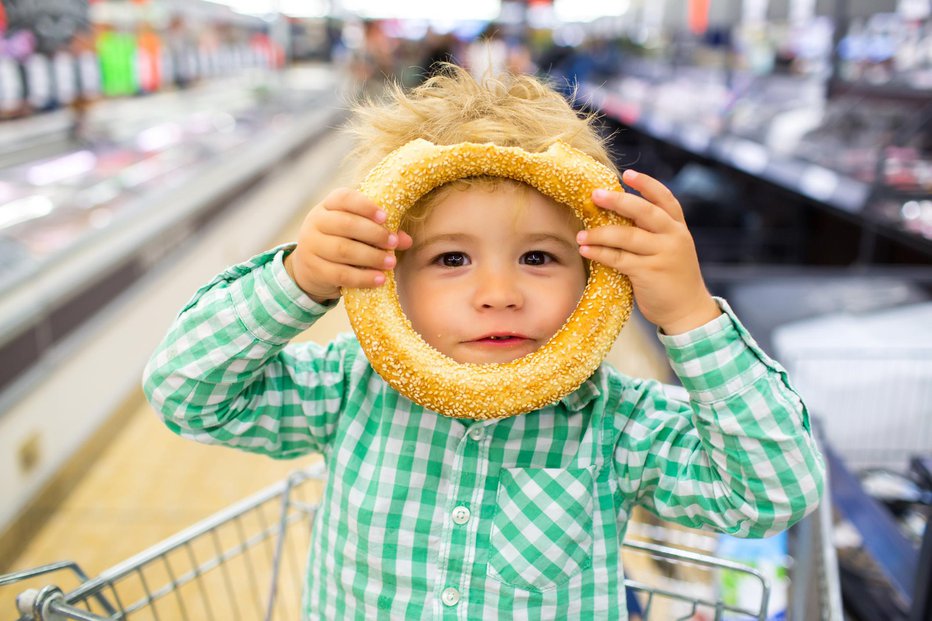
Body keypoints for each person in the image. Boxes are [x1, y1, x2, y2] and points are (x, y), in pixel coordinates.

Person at [143, 64, 824, 619]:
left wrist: (688, 314)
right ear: (388, 279)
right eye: (450, 259)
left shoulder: (618, 424)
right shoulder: (348, 390)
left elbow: (771, 492)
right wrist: (299, 279)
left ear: (598, 276)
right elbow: (187, 391)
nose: (498, 292)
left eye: (537, 258)